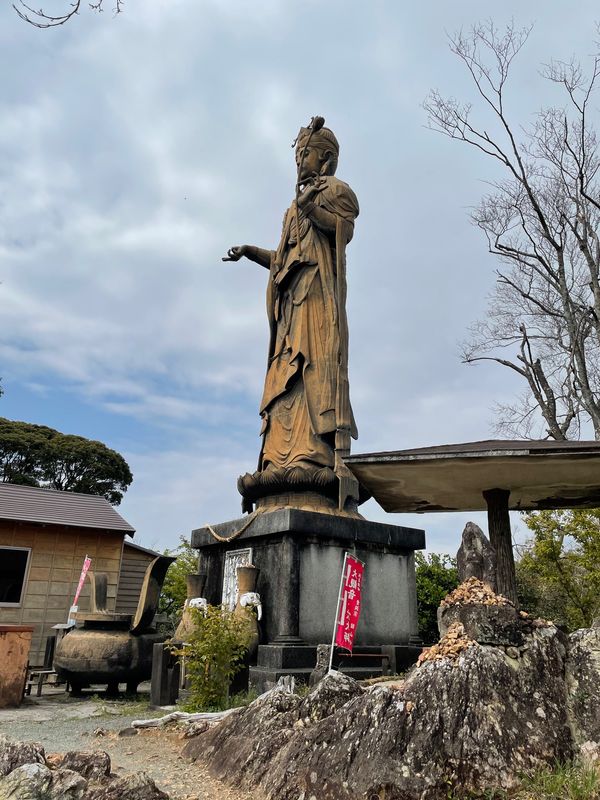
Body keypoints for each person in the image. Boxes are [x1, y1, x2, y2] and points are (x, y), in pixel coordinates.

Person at [223, 118, 359, 512]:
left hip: (317, 302)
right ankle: (279, 458)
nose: (301, 160)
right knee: (284, 379)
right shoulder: (289, 212)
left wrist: (311, 205)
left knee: (314, 369)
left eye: (308, 153)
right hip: (290, 307)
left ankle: (316, 456)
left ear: (328, 160)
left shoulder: (335, 190)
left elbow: (342, 232)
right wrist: (251, 251)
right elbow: (283, 259)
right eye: (298, 154)